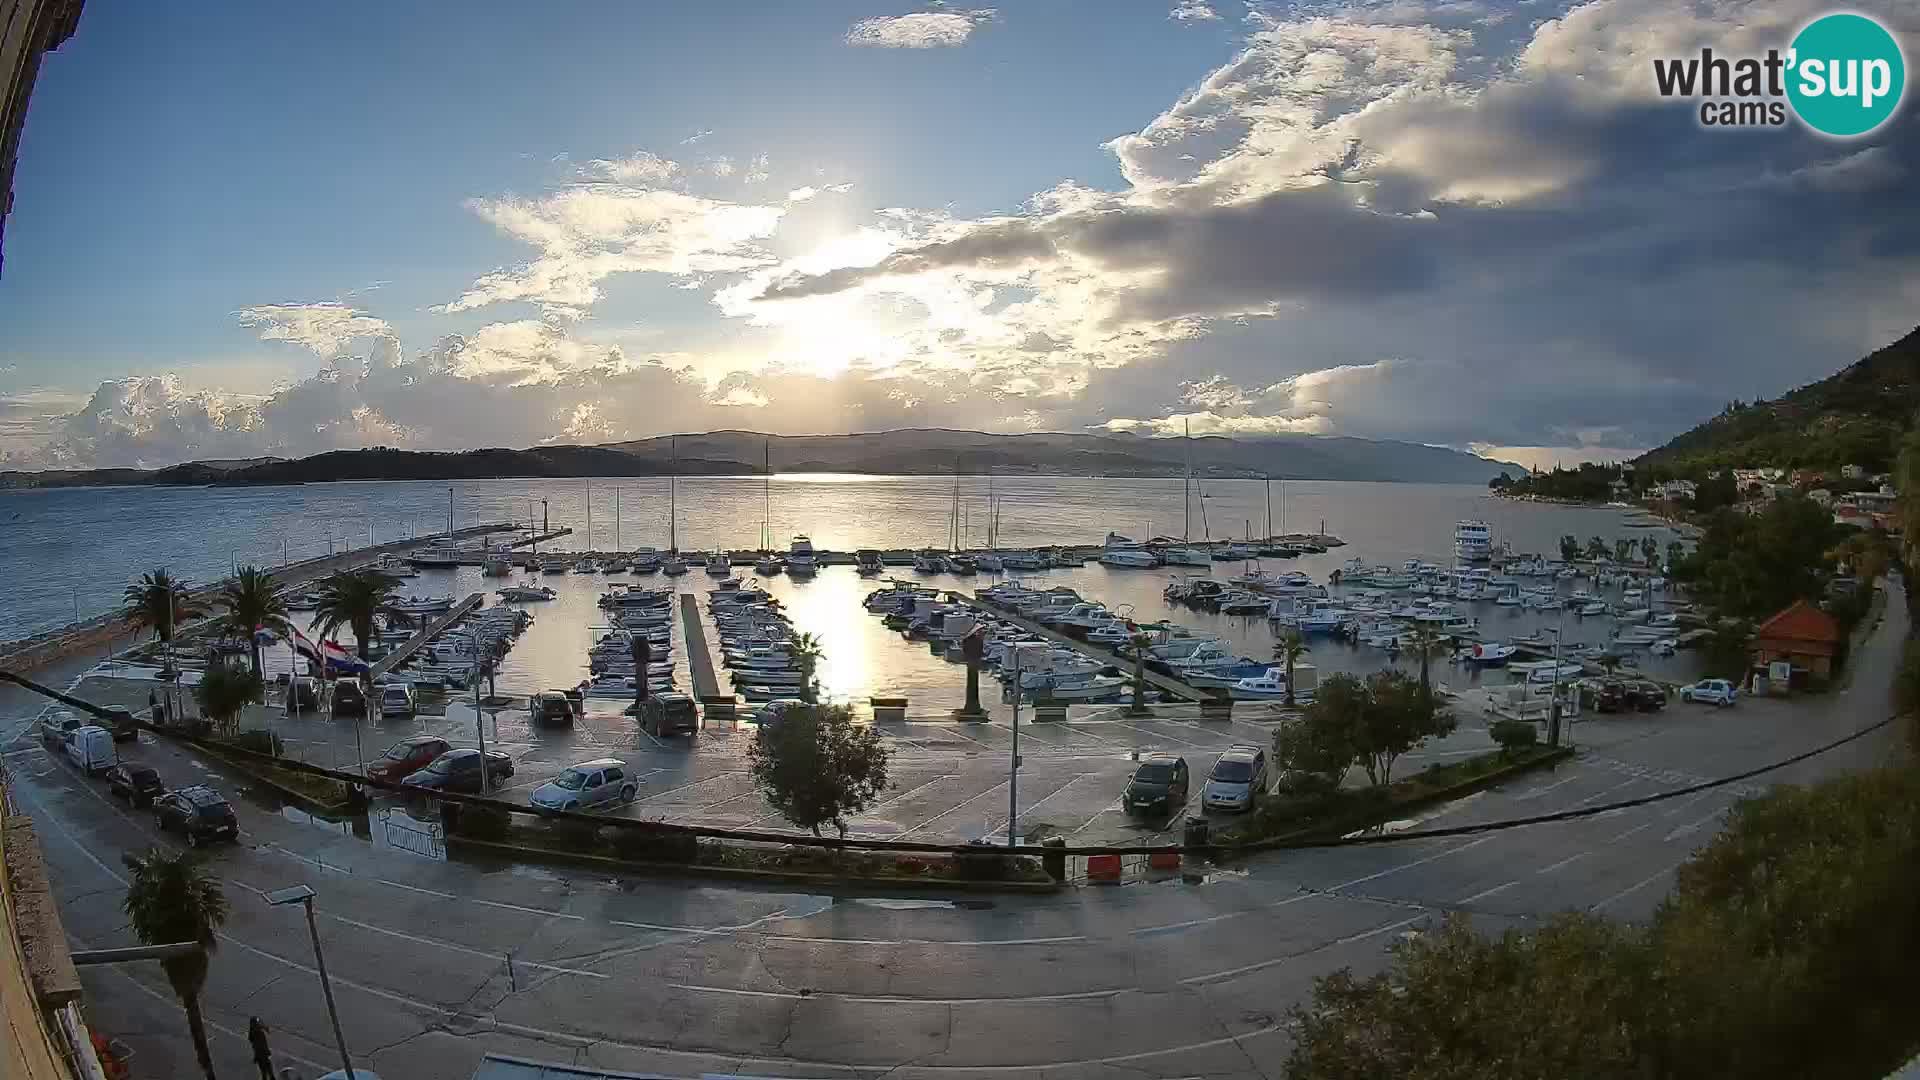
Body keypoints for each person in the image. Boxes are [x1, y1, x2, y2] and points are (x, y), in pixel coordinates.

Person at [247, 1015, 274, 1080]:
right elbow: (259, 1046)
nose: (259, 1023)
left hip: (261, 1055)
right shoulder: (256, 1033)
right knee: (267, 1072)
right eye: (257, 1022)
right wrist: (266, 1052)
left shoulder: (254, 1032)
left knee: (266, 1072)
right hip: (262, 1055)